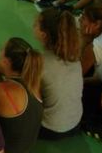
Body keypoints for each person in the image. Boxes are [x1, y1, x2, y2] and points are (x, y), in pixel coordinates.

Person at [0, 37, 44, 153]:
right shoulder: (33, 82)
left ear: (6, 61)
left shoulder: (4, 91)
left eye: (1, 50)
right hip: (24, 147)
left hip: (3, 149)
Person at [33, 9, 83, 139]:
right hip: (75, 123)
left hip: (50, 128)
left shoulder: (39, 62)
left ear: (44, 35)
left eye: (36, 24)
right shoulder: (73, 57)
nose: (33, 25)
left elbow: (31, 98)